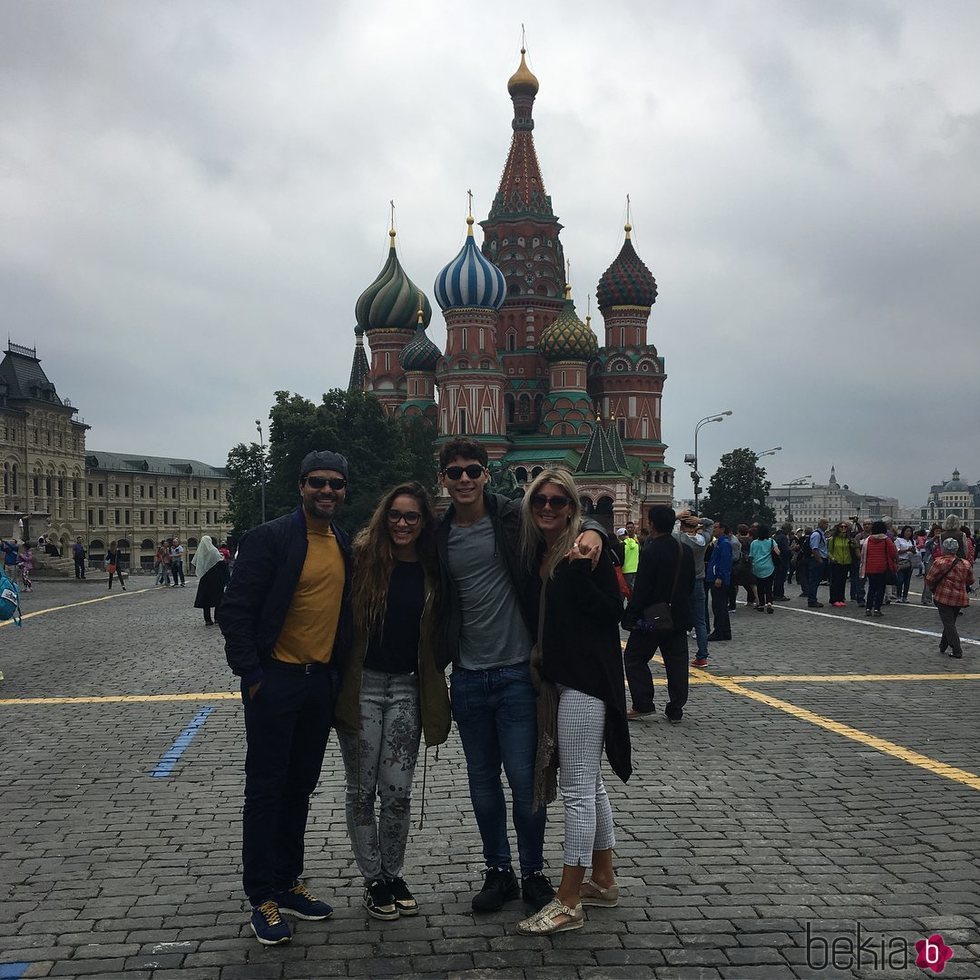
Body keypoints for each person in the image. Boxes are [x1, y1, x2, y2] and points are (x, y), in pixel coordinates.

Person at [435, 439, 604, 915]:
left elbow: (566, 516)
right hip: (466, 675)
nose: (464, 479)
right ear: (443, 479)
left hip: (515, 674)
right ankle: (499, 871)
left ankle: (533, 872)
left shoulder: (513, 517)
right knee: (482, 783)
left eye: (472, 470)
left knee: (526, 780)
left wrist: (595, 530)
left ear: (487, 474)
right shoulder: (437, 531)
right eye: (454, 472)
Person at [217, 450, 353, 946]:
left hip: (319, 684)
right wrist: (252, 675)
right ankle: (262, 896)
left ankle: (288, 881)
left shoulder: (341, 541)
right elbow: (236, 610)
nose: (327, 491)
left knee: (300, 787)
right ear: (301, 486)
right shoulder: (270, 537)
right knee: (266, 790)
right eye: (318, 482)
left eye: (336, 484)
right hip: (275, 680)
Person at [515, 469, 631, 936]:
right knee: (592, 785)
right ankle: (602, 881)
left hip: (586, 681)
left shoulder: (583, 551)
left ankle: (566, 901)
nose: (547, 507)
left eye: (558, 501)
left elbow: (612, 612)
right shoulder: (544, 549)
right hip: (563, 679)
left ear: (572, 507)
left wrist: (586, 560)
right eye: (540, 500)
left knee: (578, 790)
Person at [335, 482, 450, 921]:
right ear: (384, 517)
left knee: (397, 792)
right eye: (396, 516)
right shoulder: (361, 558)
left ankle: (394, 872)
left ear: (424, 523)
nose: (402, 524)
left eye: (412, 517)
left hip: (407, 689)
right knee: (362, 790)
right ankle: (373, 878)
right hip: (362, 686)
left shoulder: (432, 567)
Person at [622, 506, 695, 722]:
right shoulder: (685, 550)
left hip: (651, 618)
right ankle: (676, 708)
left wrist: (631, 615)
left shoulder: (651, 551)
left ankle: (643, 703)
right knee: (677, 663)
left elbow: (642, 588)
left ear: (652, 524)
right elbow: (690, 584)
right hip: (678, 616)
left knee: (634, 657)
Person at [925, 539, 974, 659]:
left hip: (943, 596)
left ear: (944, 548)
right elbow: (970, 580)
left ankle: (957, 649)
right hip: (959, 598)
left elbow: (930, 578)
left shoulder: (939, 562)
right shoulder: (965, 563)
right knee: (950, 622)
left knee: (948, 623)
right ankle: (943, 645)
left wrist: (933, 589)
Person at [674, 512, 709, 666]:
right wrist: (700, 520)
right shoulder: (703, 540)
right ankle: (702, 655)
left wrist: (676, 517)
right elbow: (710, 524)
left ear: (682, 525)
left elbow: (664, 529)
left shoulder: (679, 539)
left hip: (681, 583)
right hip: (699, 581)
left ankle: (677, 655)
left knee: (679, 619)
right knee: (700, 622)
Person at [860, 520, 897, 617]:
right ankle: (877, 609)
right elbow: (893, 553)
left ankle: (868, 608)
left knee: (871, 588)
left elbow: (864, 554)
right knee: (880, 589)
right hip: (882, 567)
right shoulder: (886, 540)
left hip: (870, 568)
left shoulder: (868, 540)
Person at [192, 535, 230, 626]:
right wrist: (227, 579)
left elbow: (196, 564)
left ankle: (207, 620)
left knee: (206, 600)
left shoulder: (200, 553)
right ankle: (217, 618)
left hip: (205, 579)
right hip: (216, 579)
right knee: (219, 598)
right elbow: (222, 564)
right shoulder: (213, 551)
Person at [705, 521, 733, 645]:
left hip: (719, 579)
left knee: (719, 606)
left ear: (722, 529)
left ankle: (719, 631)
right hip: (716, 577)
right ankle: (725, 631)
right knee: (720, 606)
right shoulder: (720, 542)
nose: (714, 530)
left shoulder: (724, 543)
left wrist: (720, 577)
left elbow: (725, 561)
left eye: (716, 528)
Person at [749, 525, 778, 613]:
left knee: (760, 586)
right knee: (769, 586)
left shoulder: (754, 543)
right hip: (769, 566)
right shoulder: (771, 541)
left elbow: (751, 556)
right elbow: (777, 552)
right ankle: (769, 603)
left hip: (757, 566)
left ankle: (761, 604)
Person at [827, 523, 855, 608]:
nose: (843, 528)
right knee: (835, 582)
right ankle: (834, 599)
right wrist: (832, 558)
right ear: (838, 528)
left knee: (842, 582)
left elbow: (853, 548)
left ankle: (840, 599)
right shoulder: (833, 539)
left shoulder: (848, 539)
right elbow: (829, 551)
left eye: (845, 527)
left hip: (846, 562)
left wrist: (853, 544)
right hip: (836, 562)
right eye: (841, 527)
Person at [806, 518, 829, 607]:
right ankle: (812, 600)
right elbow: (814, 548)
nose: (827, 525)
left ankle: (812, 598)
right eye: (826, 523)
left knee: (816, 580)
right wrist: (819, 560)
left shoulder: (821, 534)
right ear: (821, 524)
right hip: (817, 560)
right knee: (814, 581)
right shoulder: (817, 534)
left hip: (819, 559)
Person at [894, 525, 916, 603]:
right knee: (900, 580)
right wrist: (907, 549)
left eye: (910, 531)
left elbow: (915, 552)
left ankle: (905, 596)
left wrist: (913, 551)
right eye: (907, 531)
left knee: (907, 581)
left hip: (910, 562)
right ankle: (898, 595)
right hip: (901, 561)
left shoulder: (912, 541)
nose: (908, 533)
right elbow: (897, 551)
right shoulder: (898, 540)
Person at [772, 523, 791, 601]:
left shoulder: (776, 536)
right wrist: (791, 550)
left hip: (776, 559)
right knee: (781, 578)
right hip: (782, 560)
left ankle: (776, 593)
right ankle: (779, 594)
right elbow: (785, 550)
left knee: (777, 578)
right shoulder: (783, 537)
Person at [621, 524, 639, 591]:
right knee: (633, 586)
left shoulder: (623, 544)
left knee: (626, 588)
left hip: (626, 568)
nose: (629, 529)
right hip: (635, 568)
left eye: (631, 527)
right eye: (628, 528)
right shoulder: (636, 543)